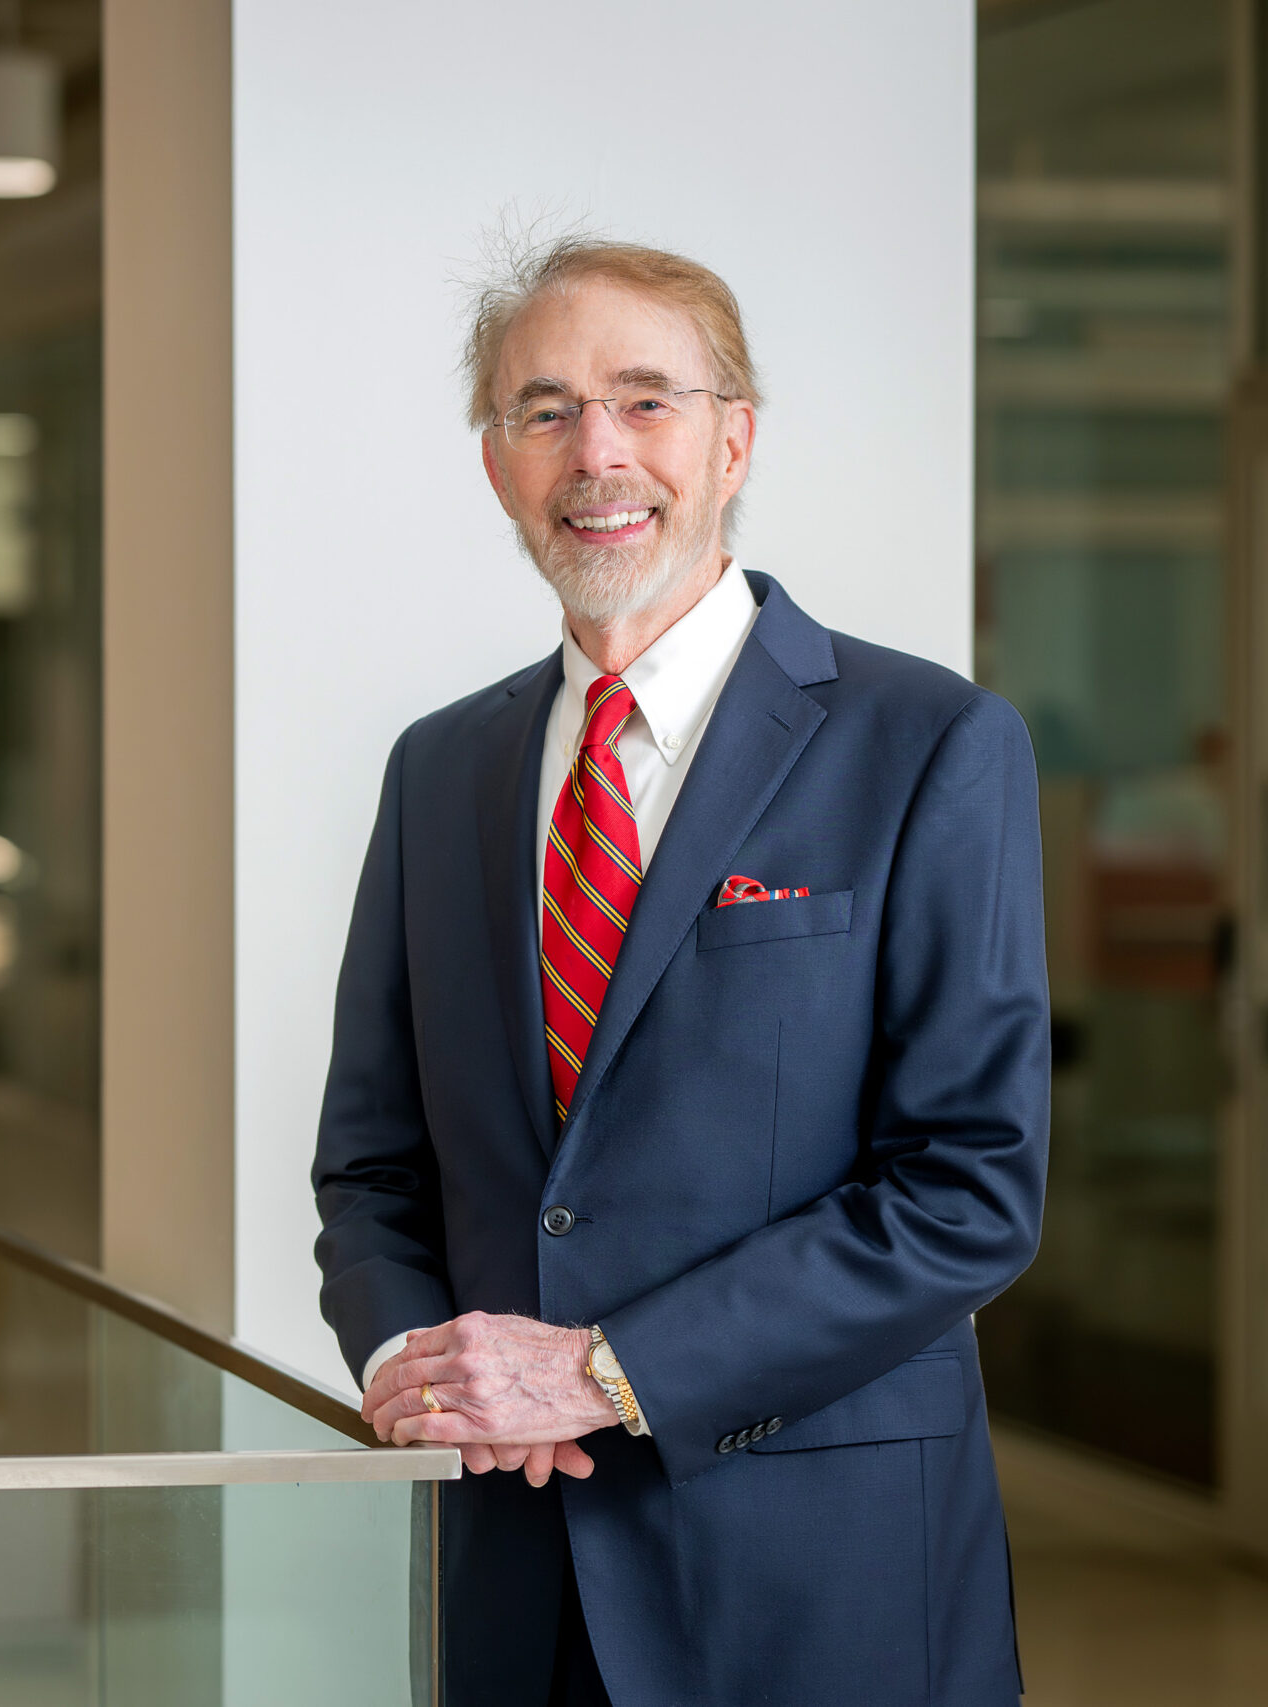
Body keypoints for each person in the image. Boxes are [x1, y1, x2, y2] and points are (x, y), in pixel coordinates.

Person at [309, 237, 1048, 1707]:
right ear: (496, 463)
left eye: (648, 400)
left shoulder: (928, 745)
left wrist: (600, 1372)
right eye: (545, 408)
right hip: (516, 1560)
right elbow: (376, 1162)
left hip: (813, 1572)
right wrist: (420, 1363)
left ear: (734, 441)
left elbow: (969, 1189)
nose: (599, 452)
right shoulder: (442, 767)